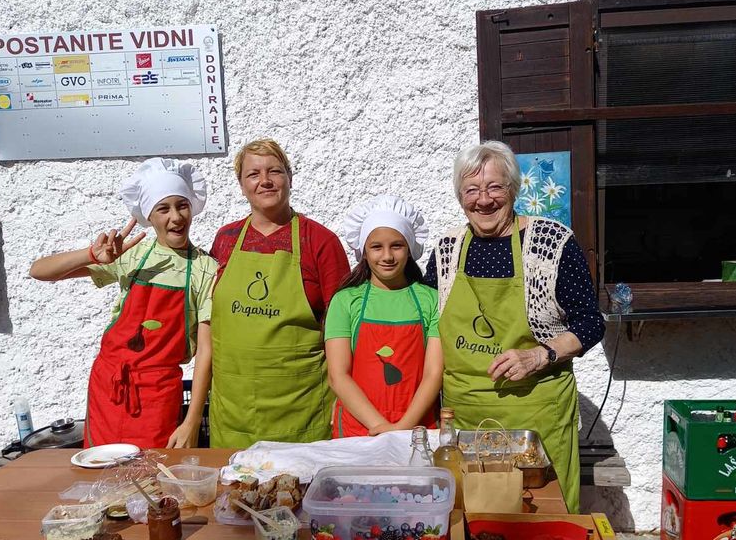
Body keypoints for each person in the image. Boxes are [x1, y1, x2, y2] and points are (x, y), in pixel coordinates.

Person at [425, 141, 604, 512]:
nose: (483, 200)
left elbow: (590, 322)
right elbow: (425, 325)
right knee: (473, 517)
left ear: (514, 189)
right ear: (459, 197)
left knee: (544, 516)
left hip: (537, 414)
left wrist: (540, 355)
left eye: (495, 187)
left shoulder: (551, 243)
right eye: (472, 190)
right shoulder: (446, 250)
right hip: (466, 415)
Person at [30, 158, 217, 449]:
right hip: (109, 387)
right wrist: (91, 255)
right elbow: (40, 271)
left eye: (182, 205)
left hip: (157, 395)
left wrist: (191, 421)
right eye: (163, 208)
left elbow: (206, 351)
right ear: (149, 216)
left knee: (152, 472)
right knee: (101, 472)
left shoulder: (205, 269)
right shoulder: (130, 255)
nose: (176, 217)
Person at [209, 139, 350, 449]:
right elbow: (207, 318)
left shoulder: (320, 241)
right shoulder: (225, 239)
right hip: (233, 410)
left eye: (275, 171)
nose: (265, 181)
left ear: (290, 178)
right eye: (253, 174)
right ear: (241, 186)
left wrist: (344, 399)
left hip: (302, 408)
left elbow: (343, 328)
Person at [325, 195, 442, 438]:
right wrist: (380, 427)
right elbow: (338, 376)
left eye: (396, 246)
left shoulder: (431, 300)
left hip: (415, 428)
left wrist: (402, 427)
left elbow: (433, 374)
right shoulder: (345, 301)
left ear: (409, 249)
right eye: (376, 247)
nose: (387, 256)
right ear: (364, 252)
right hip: (359, 430)